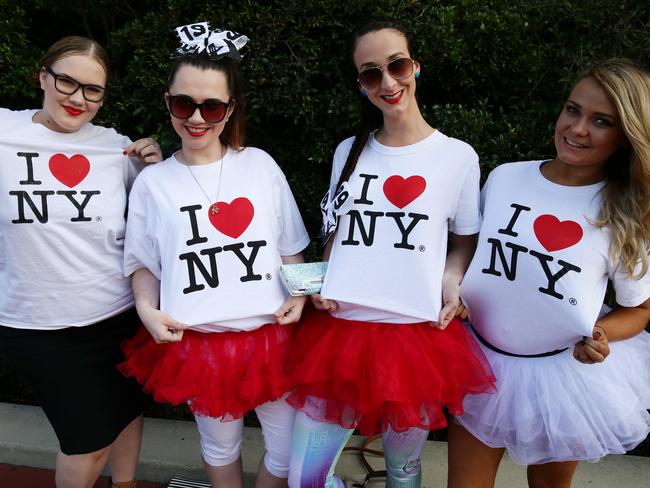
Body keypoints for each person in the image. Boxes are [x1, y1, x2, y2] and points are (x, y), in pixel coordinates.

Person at [286, 19, 495, 488]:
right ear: (361, 85)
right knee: (306, 479)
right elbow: (335, 232)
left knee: (403, 470)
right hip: (339, 334)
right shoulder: (349, 151)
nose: (387, 82)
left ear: (415, 67)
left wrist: (452, 282)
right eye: (370, 73)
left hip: (414, 339)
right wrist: (321, 283)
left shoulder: (457, 156)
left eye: (396, 65)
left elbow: (463, 242)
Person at [117, 22, 311, 488]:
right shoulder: (153, 183)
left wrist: (301, 295)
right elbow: (143, 262)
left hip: (271, 338)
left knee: (287, 449)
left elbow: (292, 248)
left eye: (212, 105)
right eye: (184, 103)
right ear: (168, 102)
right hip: (199, 344)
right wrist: (146, 308)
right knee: (219, 446)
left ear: (231, 109)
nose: (197, 117)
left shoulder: (260, 165)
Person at [448, 58, 650, 488]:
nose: (577, 129)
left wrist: (601, 334)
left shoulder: (622, 212)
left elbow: (639, 310)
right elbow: (475, 257)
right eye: (573, 109)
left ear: (625, 137)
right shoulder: (505, 177)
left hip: (563, 378)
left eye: (601, 121)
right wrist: (457, 293)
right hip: (479, 361)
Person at [0, 36, 162, 488]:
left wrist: (156, 166)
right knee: (86, 441)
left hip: (117, 315)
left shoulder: (119, 149)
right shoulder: (2, 132)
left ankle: (125, 484)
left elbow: (155, 220)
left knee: (126, 409)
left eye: (93, 90)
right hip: (37, 324)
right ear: (41, 76)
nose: (78, 98)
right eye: (66, 81)